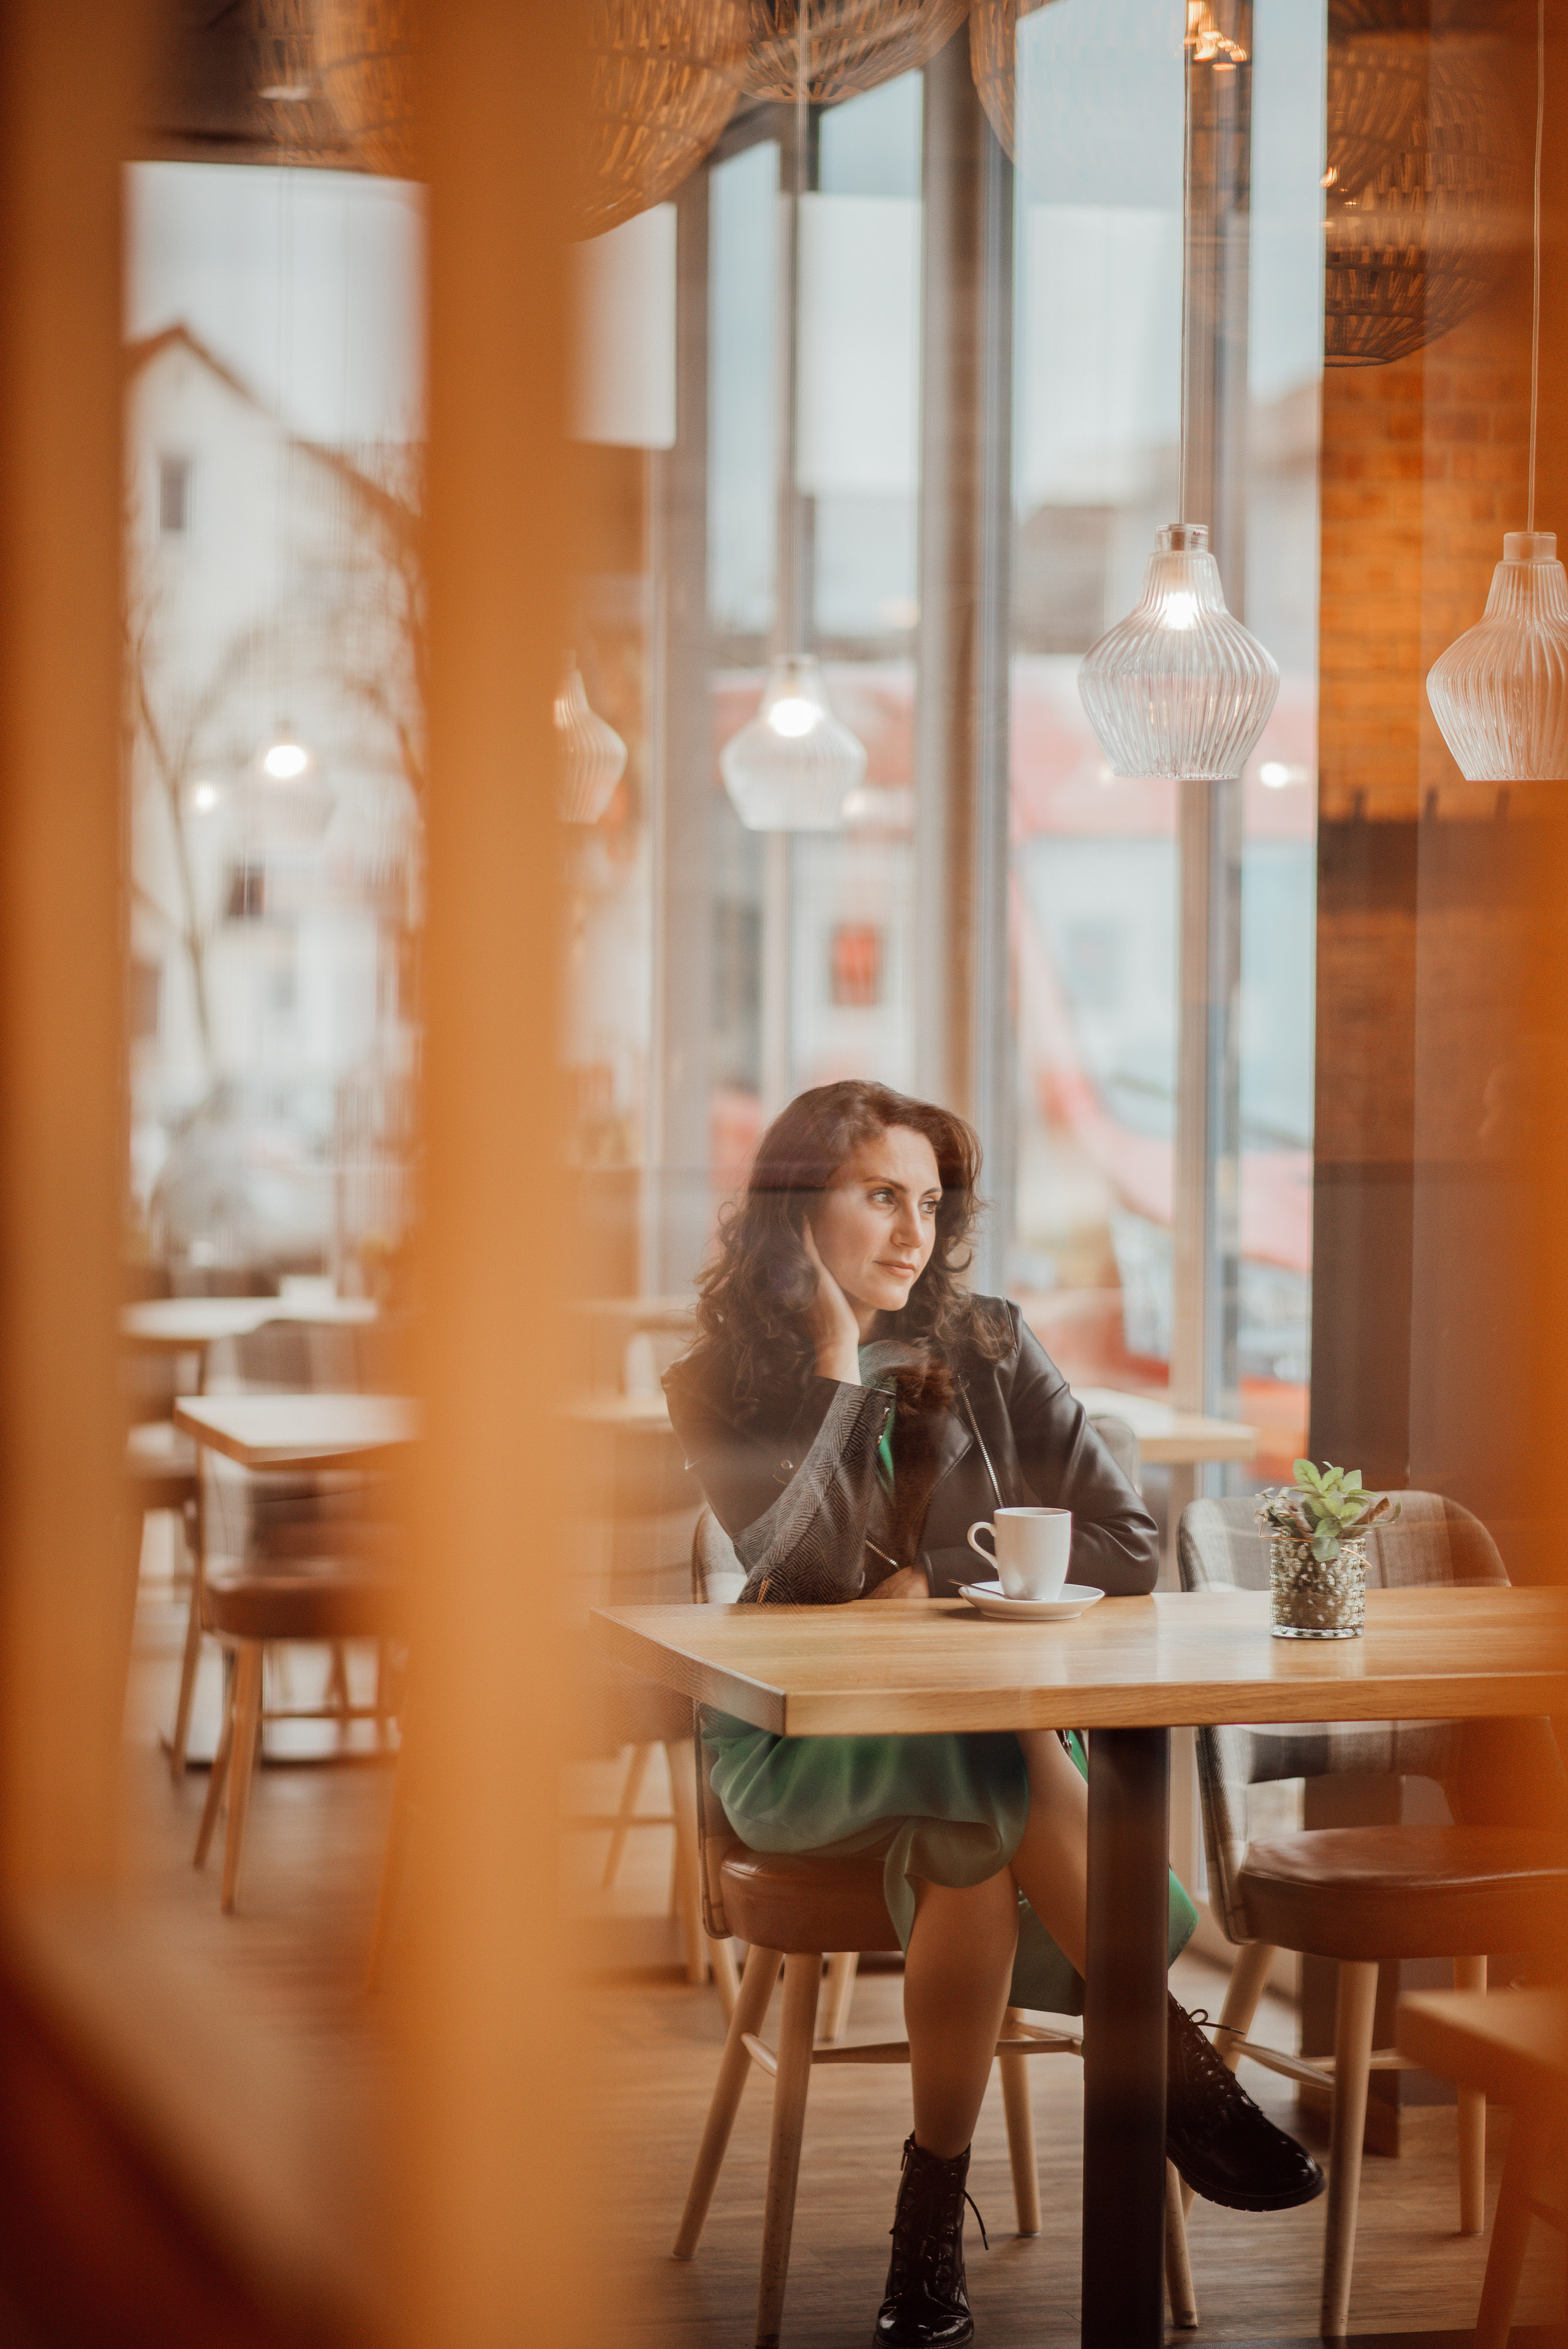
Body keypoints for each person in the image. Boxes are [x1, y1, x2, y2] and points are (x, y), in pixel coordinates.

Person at [664, 1080, 1324, 2349]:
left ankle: (927, 2229)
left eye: (929, 1201)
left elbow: (1127, 1542)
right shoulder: (718, 1381)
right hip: (800, 1742)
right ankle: (1174, 2067)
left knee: (968, 1831)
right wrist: (833, 1361)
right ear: (797, 1206)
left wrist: (936, 1582)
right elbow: (811, 1582)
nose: (914, 1231)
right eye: (880, 1196)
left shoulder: (990, 1345)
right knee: (1000, 1759)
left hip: (972, 1734)